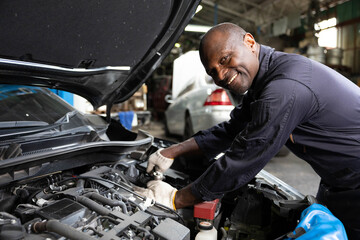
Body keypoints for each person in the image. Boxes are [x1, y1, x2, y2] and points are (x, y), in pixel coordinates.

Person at [135, 22, 360, 238]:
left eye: (225, 59)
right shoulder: (265, 80)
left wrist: (176, 198)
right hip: (338, 182)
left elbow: (245, 158)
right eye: (213, 71)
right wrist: (171, 152)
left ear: (250, 42)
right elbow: (229, 131)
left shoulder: (285, 88)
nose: (221, 75)